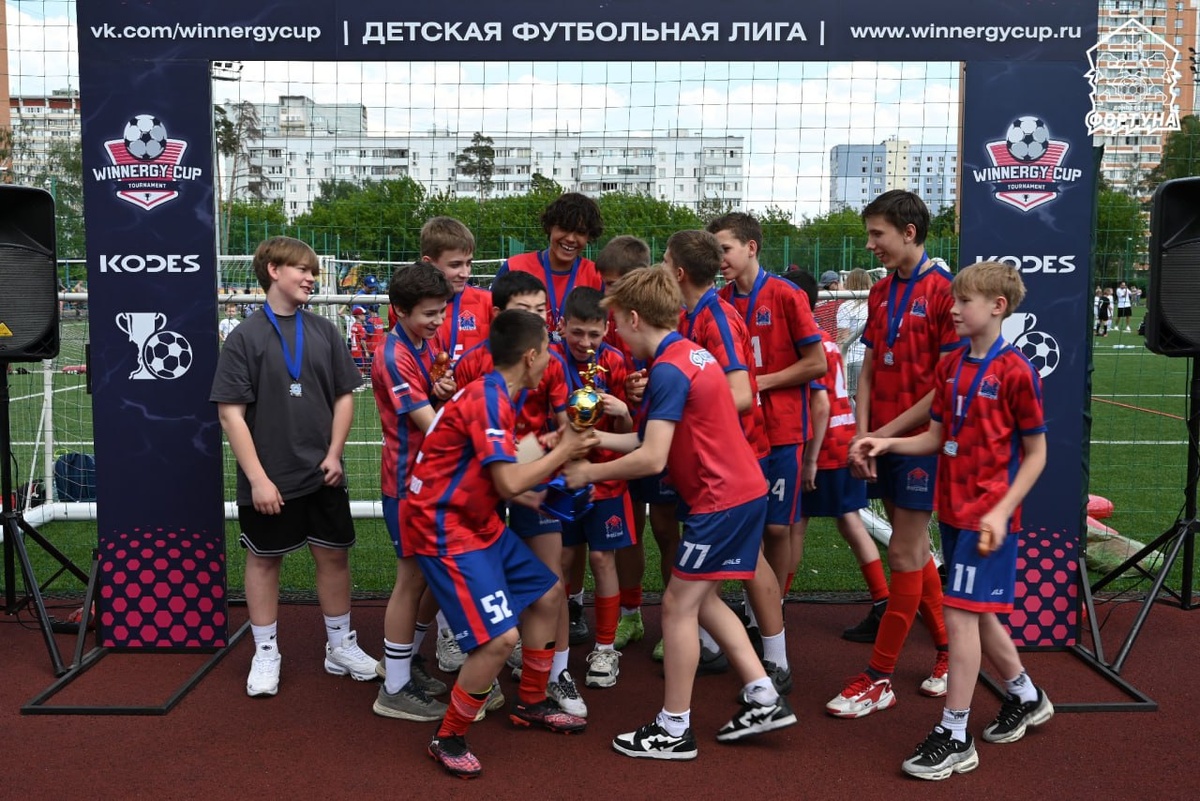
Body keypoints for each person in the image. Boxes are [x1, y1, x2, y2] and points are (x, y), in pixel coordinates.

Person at [563, 266, 797, 761]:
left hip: (720, 499)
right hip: (739, 493)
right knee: (702, 600)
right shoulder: (688, 355)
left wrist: (588, 472)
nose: (616, 335)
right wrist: (595, 438)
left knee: (676, 605)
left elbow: (652, 458)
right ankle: (763, 695)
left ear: (633, 317)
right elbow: (650, 438)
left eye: (616, 324)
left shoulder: (668, 369)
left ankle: (674, 728)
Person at [852, 261, 1052, 780]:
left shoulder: (1017, 372)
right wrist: (887, 443)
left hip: (989, 520)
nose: (955, 310)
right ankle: (1026, 696)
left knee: (961, 616)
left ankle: (955, 734)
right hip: (955, 510)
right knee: (978, 613)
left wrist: (1002, 511)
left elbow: (1036, 454)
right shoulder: (953, 366)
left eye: (964, 302)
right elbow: (936, 436)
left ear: (998, 307)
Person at [406, 309, 597, 778]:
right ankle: (448, 736)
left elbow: (503, 459)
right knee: (499, 639)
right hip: (444, 527)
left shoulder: (495, 392)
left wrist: (549, 443)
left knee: (548, 594)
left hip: (474, 520)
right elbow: (509, 482)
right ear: (531, 356)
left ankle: (530, 701)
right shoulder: (490, 397)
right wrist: (564, 450)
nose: (551, 359)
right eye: (547, 351)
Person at [210, 236, 379, 698]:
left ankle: (340, 646)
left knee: (334, 556)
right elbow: (230, 415)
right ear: (273, 271)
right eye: (302, 269)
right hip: (270, 480)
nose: (310, 278)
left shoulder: (324, 330)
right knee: (264, 561)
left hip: (323, 472)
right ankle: (266, 652)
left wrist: (334, 453)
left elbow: (344, 396)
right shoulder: (244, 337)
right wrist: (258, 479)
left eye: (312, 271)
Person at [828, 190, 959, 719]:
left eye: (877, 234)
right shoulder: (881, 291)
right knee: (912, 551)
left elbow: (945, 385)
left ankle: (879, 677)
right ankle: (947, 649)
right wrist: (862, 435)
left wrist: (882, 434)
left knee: (904, 553)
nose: (870, 244)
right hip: (882, 439)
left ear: (909, 232)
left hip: (919, 443)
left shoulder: (946, 292)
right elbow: (867, 370)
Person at [452, 271, 585, 718]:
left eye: (541, 311)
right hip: (484, 483)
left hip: (533, 473)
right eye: (525, 311)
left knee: (550, 582)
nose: (537, 320)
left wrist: (561, 447)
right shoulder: (474, 367)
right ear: (499, 316)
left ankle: (554, 673)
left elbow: (565, 422)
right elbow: (464, 441)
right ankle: (473, 663)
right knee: (475, 577)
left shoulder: (553, 361)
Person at [667, 230, 792, 693]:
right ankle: (712, 646)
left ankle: (775, 661)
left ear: (680, 272)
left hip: (734, 459)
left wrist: (676, 403)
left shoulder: (715, 317)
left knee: (749, 559)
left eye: (665, 261)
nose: (662, 268)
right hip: (714, 459)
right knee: (716, 559)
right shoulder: (697, 313)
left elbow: (740, 393)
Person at [709, 212, 825, 605]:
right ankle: (745, 609)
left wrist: (760, 382)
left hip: (782, 431)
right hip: (738, 433)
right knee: (740, 526)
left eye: (725, 249)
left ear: (751, 247)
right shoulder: (719, 302)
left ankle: (772, 610)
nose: (719, 259)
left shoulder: (786, 294)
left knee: (776, 529)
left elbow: (816, 364)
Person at [369, 262, 462, 724]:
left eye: (442, 312)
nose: (438, 321)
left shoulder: (423, 343)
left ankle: (403, 665)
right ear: (400, 310)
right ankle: (394, 688)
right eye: (429, 313)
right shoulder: (393, 355)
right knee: (410, 580)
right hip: (407, 483)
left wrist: (443, 391)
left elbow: (434, 403)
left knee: (426, 578)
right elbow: (431, 425)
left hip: (428, 479)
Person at [785, 270, 890, 643]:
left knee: (795, 523)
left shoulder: (805, 342)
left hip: (824, 442)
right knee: (849, 521)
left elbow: (820, 404)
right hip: (842, 435)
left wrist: (810, 459)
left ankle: (773, 603)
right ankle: (882, 600)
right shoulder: (825, 338)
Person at [552, 286, 633, 690]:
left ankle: (605, 647)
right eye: (577, 332)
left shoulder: (615, 362)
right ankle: (552, 650)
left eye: (594, 334)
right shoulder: (549, 361)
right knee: (563, 558)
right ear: (561, 325)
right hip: (562, 477)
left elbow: (633, 432)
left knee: (602, 559)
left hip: (605, 478)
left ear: (606, 330)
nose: (585, 342)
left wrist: (623, 410)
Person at [595, 235, 658, 652]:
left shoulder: (662, 315)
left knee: (667, 529)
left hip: (660, 435)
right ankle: (631, 615)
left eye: (615, 284)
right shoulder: (606, 322)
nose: (608, 292)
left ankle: (679, 620)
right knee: (626, 531)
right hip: (621, 438)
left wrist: (648, 386)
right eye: (605, 283)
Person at [493, 192, 605, 339]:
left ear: (589, 236)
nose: (571, 238)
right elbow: (494, 322)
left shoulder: (597, 276)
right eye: (564, 228)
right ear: (550, 227)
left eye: (580, 232)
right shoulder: (514, 267)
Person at [386, 216, 494, 361]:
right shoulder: (406, 308)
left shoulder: (487, 302)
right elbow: (403, 356)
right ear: (428, 263)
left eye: (469, 263)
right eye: (455, 265)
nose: (465, 273)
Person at [837, 268, 875, 404]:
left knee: (853, 399)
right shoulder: (875, 304)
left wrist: (837, 362)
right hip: (873, 357)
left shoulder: (846, 307)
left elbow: (843, 338)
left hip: (853, 360)